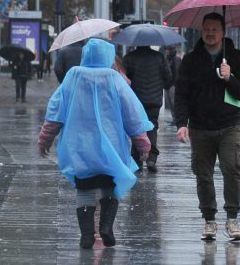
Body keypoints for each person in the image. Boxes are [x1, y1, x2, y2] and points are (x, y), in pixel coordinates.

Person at [37, 38, 153, 249]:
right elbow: (132, 114)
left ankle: (87, 234)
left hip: (79, 147)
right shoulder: (114, 79)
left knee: (85, 189)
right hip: (110, 146)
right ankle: (106, 227)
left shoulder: (73, 77)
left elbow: (55, 112)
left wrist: (45, 140)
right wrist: (143, 143)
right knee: (109, 186)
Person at [174, 12, 240, 241]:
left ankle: (232, 218)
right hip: (200, 128)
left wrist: (230, 78)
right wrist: (182, 124)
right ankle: (209, 219)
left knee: (232, 169)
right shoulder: (191, 60)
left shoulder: (236, 58)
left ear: (223, 32)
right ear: (202, 31)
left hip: (229, 125)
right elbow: (182, 94)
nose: (210, 34)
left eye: (215, 29)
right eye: (206, 29)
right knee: (203, 175)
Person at [123, 45, 172, 173]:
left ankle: (137, 159)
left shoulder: (129, 58)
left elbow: (125, 79)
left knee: (136, 128)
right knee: (152, 127)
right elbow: (168, 78)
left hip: (136, 100)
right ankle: (151, 158)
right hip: (154, 101)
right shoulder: (159, 57)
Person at [163, 45, 182, 125]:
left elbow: (177, 72)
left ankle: (177, 119)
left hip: (173, 85)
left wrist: (173, 84)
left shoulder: (176, 59)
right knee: (170, 103)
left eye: (168, 50)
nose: (166, 51)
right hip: (168, 85)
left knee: (174, 103)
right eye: (166, 49)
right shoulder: (168, 59)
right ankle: (174, 118)